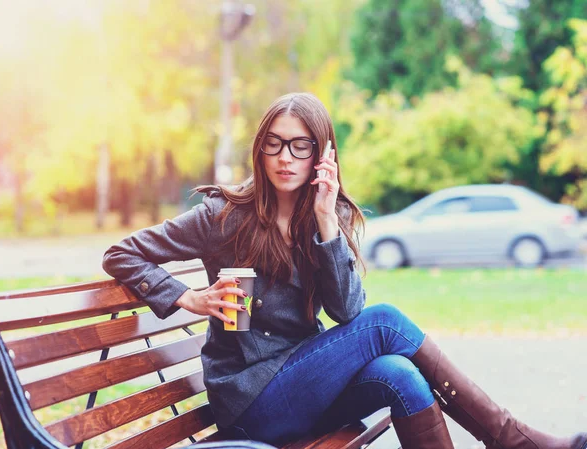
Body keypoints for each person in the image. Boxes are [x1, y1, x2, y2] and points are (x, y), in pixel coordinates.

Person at [102, 93, 586, 449]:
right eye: (274, 145)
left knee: (401, 373)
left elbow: (346, 310)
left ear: (322, 154)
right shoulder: (223, 216)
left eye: (299, 146)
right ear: (259, 150)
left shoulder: (328, 215)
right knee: (387, 322)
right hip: (251, 401)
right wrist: (189, 297)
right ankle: (510, 438)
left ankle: (511, 440)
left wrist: (327, 221)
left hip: (303, 383)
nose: (285, 158)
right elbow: (122, 253)